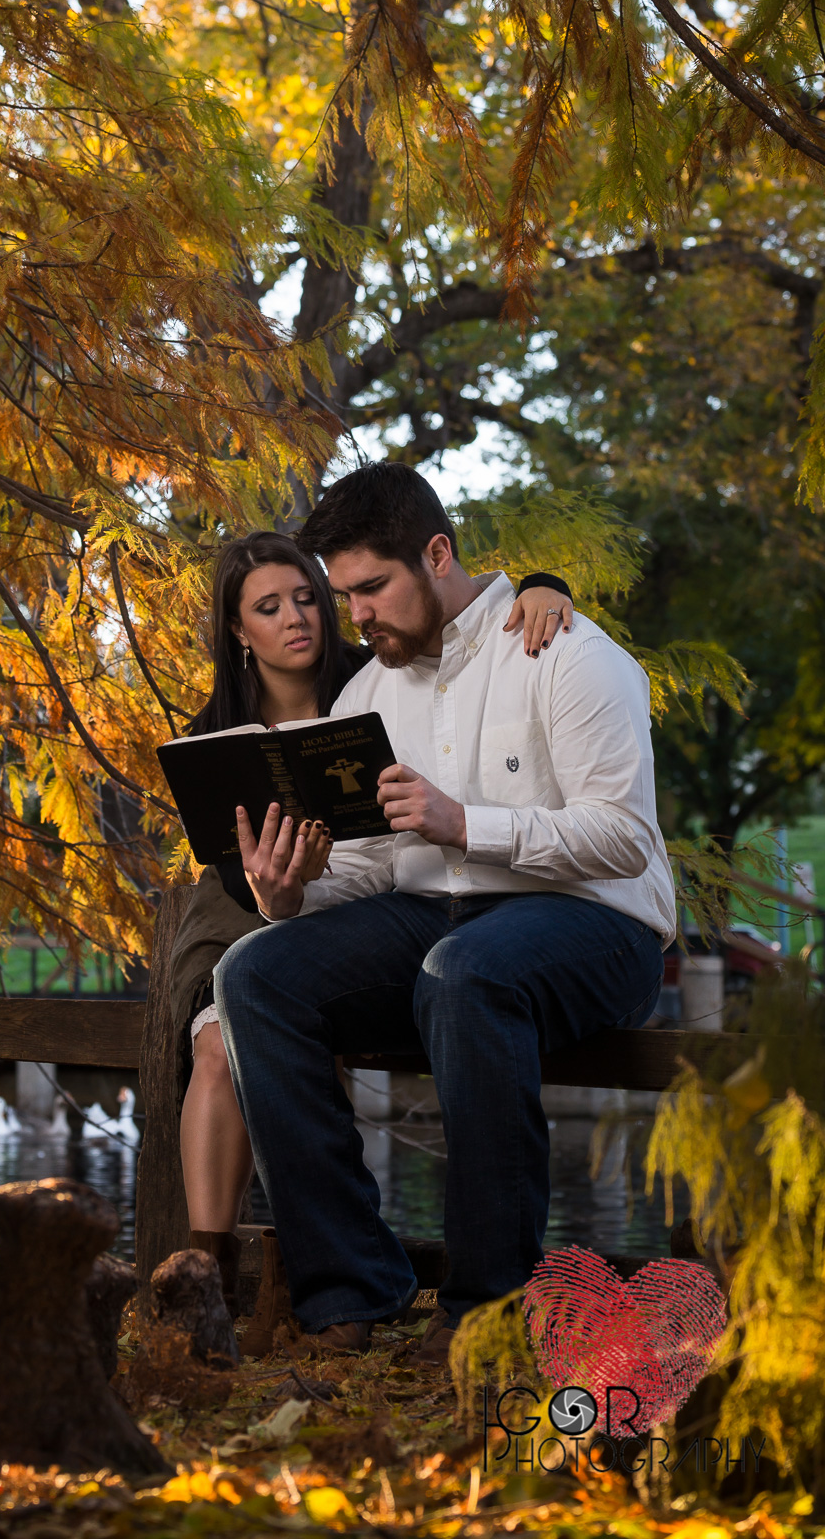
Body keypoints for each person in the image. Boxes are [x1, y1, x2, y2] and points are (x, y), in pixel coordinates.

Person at [214, 465, 673, 1358]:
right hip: (433, 921)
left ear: (437, 554)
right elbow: (372, 868)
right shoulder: (366, 696)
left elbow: (625, 840)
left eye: (373, 588)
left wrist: (468, 823)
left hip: (593, 924)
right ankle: (349, 1289)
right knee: (256, 975)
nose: (358, 618)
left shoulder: (568, 654)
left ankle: (488, 1315)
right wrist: (291, 892)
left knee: (463, 974)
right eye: (344, 596)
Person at [168, 529, 575, 1316]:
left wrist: (544, 575)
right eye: (269, 607)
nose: (299, 618)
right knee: (225, 1029)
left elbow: (458, 620)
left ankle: (321, 1265)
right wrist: (278, 884)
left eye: (308, 599)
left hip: (378, 898)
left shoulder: (377, 680)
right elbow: (230, 867)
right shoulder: (214, 729)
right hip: (246, 909)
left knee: (318, 998)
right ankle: (208, 1273)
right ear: (236, 629)